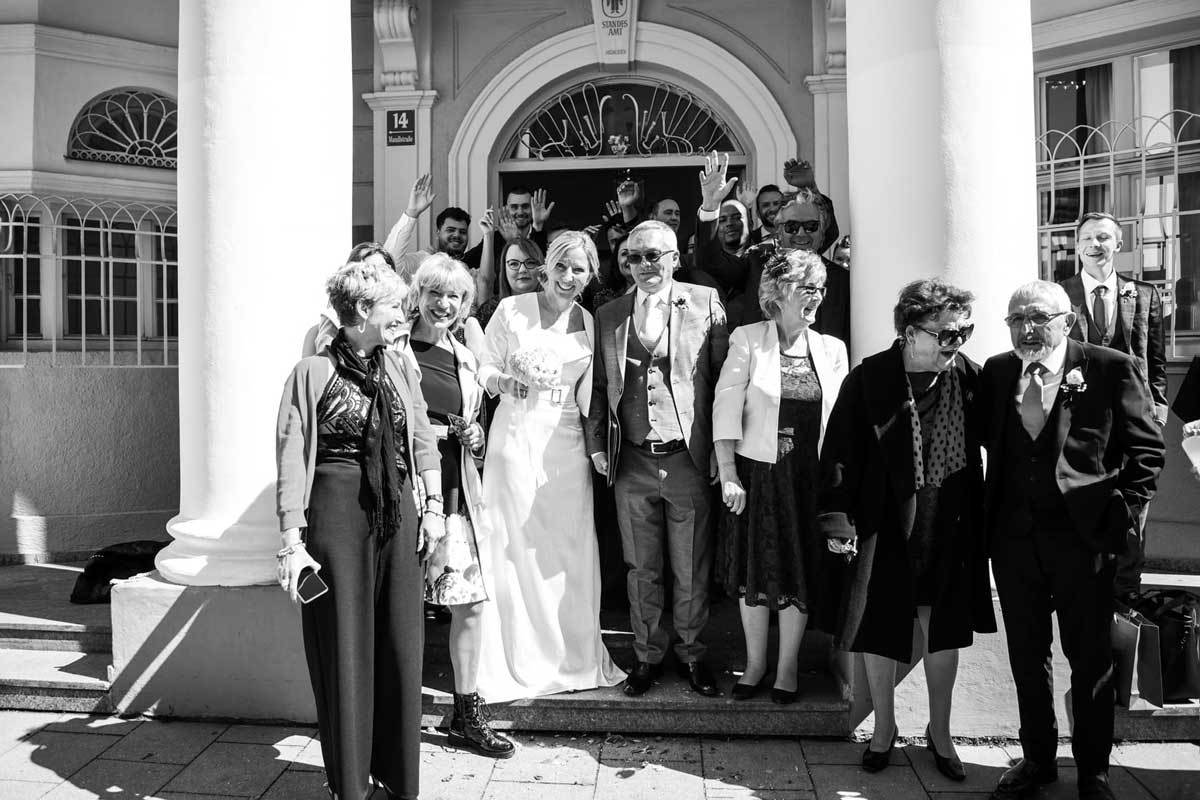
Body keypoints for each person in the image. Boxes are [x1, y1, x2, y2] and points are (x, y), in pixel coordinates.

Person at [979, 281, 1164, 800]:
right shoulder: (996, 371)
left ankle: (1093, 771)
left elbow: (1147, 452)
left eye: (1037, 317)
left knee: (1090, 659)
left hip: (1086, 543)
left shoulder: (1107, 366)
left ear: (1068, 319)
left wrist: (1121, 513)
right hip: (1014, 542)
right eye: (1015, 319)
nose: (1026, 329)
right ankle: (1037, 759)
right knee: (1026, 655)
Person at [276, 260, 444, 800]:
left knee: (401, 642)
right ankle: (349, 783)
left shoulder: (399, 365)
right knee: (344, 647)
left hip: (397, 509)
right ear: (363, 312)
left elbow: (421, 435)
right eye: (395, 304)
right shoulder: (309, 372)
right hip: (334, 511)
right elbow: (290, 461)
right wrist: (291, 540)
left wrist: (435, 506)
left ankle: (397, 777)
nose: (405, 312)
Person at [819, 279, 994, 781]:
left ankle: (941, 734)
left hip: (952, 523)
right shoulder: (869, 378)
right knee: (880, 626)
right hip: (884, 523)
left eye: (964, 331)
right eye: (946, 333)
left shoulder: (969, 377)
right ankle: (884, 730)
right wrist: (838, 521)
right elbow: (839, 457)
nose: (956, 343)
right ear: (910, 331)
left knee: (942, 631)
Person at [473, 231, 626, 702]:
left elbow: (593, 395)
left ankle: (571, 655)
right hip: (515, 435)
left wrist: (599, 446)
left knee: (567, 547)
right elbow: (483, 365)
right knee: (512, 546)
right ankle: (513, 657)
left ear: (590, 273)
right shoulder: (510, 310)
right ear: (547, 268)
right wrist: (504, 380)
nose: (568, 277)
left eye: (578, 269)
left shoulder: (590, 320)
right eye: (560, 267)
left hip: (565, 445)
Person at [586, 220, 730, 698]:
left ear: (674, 257)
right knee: (640, 566)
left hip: (687, 455)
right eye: (634, 256)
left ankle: (691, 656)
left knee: (691, 566)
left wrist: (721, 451)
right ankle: (646, 658)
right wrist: (597, 445)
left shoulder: (704, 302)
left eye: (653, 255)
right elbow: (600, 390)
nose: (644, 265)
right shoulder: (608, 314)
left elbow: (723, 382)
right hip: (632, 460)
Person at [713, 249, 847, 704]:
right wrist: (728, 472)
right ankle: (755, 666)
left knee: (799, 572)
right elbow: (725, 405)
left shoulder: (832, 350)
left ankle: (787, 668)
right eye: (807, 288)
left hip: (811, 479)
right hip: (761, 474)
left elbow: (841, 420)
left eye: (820, 289)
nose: (816, 298)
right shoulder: (748, 339)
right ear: (780, 293)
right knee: (756, 570)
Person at [407, 254, 514, 758]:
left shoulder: (465, 355)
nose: (444, 303)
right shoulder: (395, 346)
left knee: (468, 604)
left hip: (455, 492)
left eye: (454, 295)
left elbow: (472, 423)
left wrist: (473, 435)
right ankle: (388, 708)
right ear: (418, 295)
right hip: (406, 493)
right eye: (435, 293)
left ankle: (465, 714)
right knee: (401, 605)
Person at [1058, 211, 1168, 600]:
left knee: (1134, 505)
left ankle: (1127, 593)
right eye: (1087, 238)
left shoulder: (1145, 294)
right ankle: (1084, 588)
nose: (1095, 245)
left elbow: (1156, 361)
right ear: (1077, 245)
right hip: (1081, 421)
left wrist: (1158, 409)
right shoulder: (1060, 293)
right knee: (1082, 500)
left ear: (1118, 245)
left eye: (1104, 238)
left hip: (1133, 419)